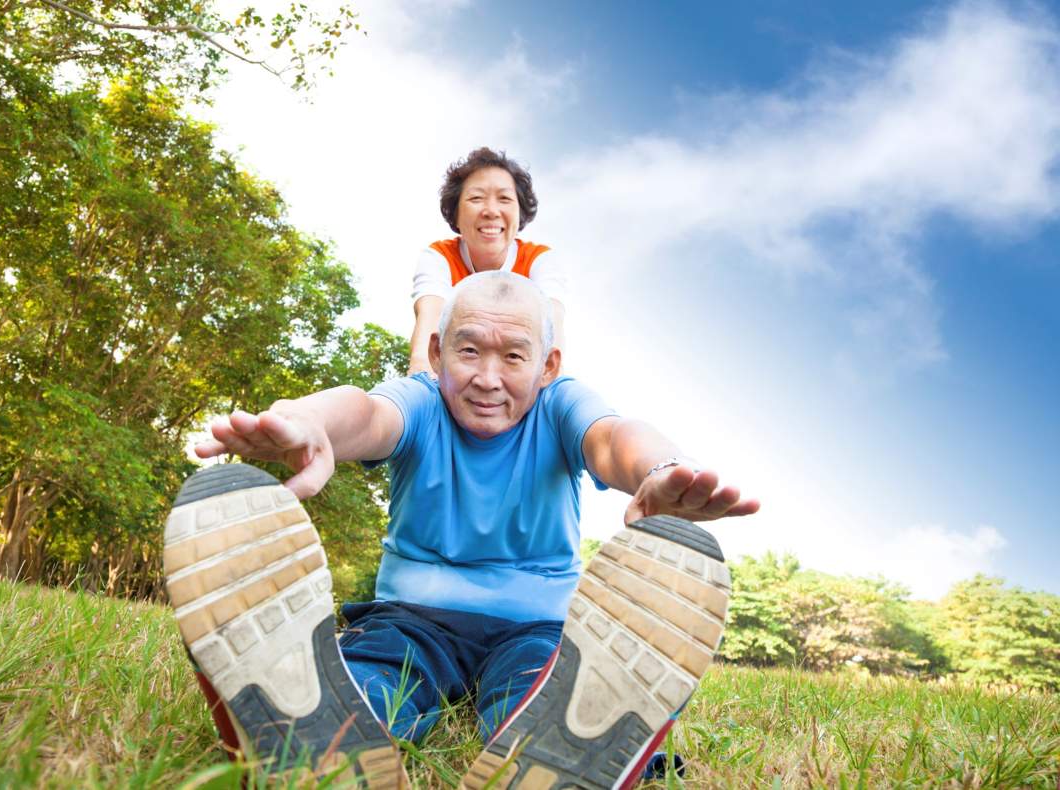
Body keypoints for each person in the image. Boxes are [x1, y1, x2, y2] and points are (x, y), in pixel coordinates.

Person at [164, 272, 759, 787]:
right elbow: (368, 412)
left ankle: (591, 751)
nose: (487, 378)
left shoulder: (561, 405)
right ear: (437, 349)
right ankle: (307, 729)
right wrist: (307, 421)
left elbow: (610, 438)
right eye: (469, 352)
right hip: (409, 619)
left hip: (537, 627)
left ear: (548, 365)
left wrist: (658, 471)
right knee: (374, 677)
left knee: (537, 696)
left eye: (514, 357)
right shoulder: (422, 402)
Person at [408, 147, 567, 375]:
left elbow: (552, 328)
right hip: (456, 379)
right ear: (456, 213)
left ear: (520, 212)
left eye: (504, 199)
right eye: (476, 198)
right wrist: (422, 383)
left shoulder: (538, 260)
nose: (491, 211)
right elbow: (429, 321)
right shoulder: (439, 257)